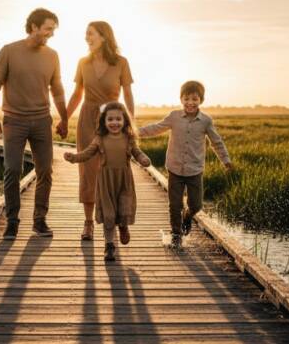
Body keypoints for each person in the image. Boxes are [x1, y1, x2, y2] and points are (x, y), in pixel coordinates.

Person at [0, 7, 69, 240]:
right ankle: (12, 221)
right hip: (14, 120)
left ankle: (39, 220)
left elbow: (58, 89)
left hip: (42, 121)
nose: (51, 34)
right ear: (33, 27)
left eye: (53, 30)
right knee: (12, 169)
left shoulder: (52, 55)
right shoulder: (9, 51)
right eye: (48, 29)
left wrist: (63, 118)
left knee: (45, 171)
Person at [138, 81, 233, 247]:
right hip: (175, 168)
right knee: (175, 204)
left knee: (196, 205)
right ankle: (176, 234)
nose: (190, 102)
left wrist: (226, 161)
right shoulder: (174, 116)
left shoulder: (206, 121)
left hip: (195, 170)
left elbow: (216, 142)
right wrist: (135, 132)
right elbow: (157, 128)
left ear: (201, 100)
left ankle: (188, 217)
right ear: (181, 99)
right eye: (187, 98)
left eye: (194, 99)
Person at [65, 21, 134, 241]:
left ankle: (119, 220)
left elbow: (128, 94)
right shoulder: (83, 63)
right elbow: (77, 94)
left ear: (104, 36)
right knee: (88, 172)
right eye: (86, 34)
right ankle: (88, 223)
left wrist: (129, 123)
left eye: (90, 34)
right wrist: (64, 118)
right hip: (87, 118)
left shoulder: (121, 62)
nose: (86, 37)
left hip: (113, 118)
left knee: (114, 168)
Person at [64, 102, 150, 262]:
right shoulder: (99, 139)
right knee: (109, 214)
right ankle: (109, 245)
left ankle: (123, 225)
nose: (114, 122)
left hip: (124, 182)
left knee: (124, 208)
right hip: (105, 183)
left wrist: (143, 159)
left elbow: (137, 152)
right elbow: (87, 153)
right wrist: (74, 158)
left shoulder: (129, 138)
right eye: (110, 119)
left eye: (118, 119)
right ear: (104, 121)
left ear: (125, 120)